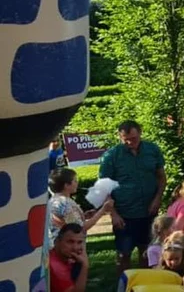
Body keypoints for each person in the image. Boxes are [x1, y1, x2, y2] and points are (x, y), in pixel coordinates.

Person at [99, 119, 166, 276]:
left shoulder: (152, 150)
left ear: (140, 133)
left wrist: (158, 198)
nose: (130, 142)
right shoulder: (111, 156)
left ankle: (144, 282)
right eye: (125, 139)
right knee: (124, 254)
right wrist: (113, 214)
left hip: (149, 211)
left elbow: (161, 178)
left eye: (133, 139)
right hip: (124, 214)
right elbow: (103, 187)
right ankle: (124, 285)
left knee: (147, 251)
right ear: (120, 136)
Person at [47, 168, 112, 243]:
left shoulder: (54, 200)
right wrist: (102, 210)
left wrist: (83, 216)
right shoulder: (65, 203)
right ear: (66, 185)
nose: (77, 183)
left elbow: (69, 222)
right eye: (75, 180)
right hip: (69, 247)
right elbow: (80, 229)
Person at [48, 223, 88, 292]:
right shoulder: (55, 265)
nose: (75, 248)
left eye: (79, 242)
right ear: (57, 242)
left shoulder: (63, 258)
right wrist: (85, 265)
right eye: (70, 242)